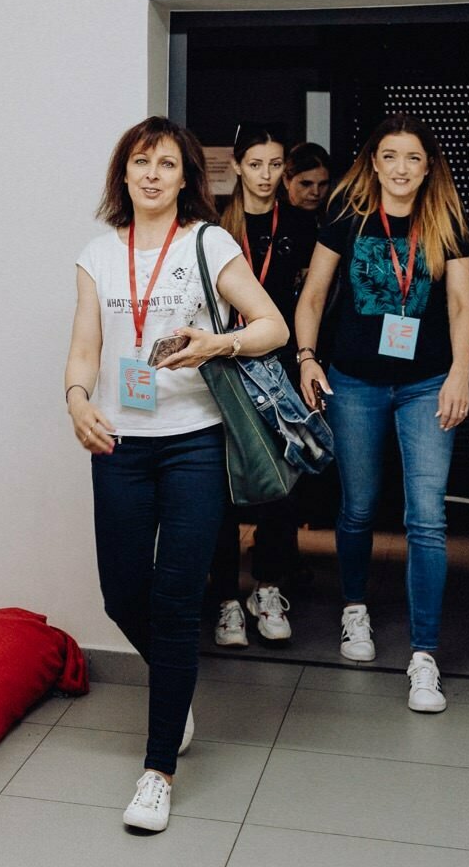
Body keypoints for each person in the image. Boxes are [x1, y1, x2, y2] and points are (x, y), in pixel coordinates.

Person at [64, 117, 289, 831]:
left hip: (195, 441)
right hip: (119, 443)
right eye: (141, 162)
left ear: (187, 176)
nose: (153, 174)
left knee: (175, 600)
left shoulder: (208, 242)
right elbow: (84, 350)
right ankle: (175, 686)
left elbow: (273, 326)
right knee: (120, 590)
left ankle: (157, 769)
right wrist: (75, 402)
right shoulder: (98, 255)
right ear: (123, 174)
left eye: (167, 163)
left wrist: (216, 342)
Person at [293, 116, 469, 714]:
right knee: (357, 506)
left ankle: (424, 657)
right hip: (354, 381)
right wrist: (307, 358)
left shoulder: (447, 225)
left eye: (413, 158)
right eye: (390, 156)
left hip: (426, 385)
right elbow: (314, 296)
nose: (401, 168)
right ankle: (355, 610)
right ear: (374, 163)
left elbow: (460, 308)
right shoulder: (347, 219)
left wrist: (459, 375)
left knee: (426, 517)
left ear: (428, 168)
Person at [208, 126, 321, 649]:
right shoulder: (211, 226)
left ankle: (269, 588)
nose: (266, 176)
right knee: (224, 485)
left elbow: (314, 298)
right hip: (225, 364)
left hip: (276, 366)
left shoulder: (302, 222)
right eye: (256, 165)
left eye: (276, 165)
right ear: (236, 166)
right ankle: (228, 598)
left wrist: (306, 359)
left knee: (282, 481)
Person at [283, 141, 334, 218]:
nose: (316, 192)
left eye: (322, 184)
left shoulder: (335, 219)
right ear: (286, 181)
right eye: (306, 184)